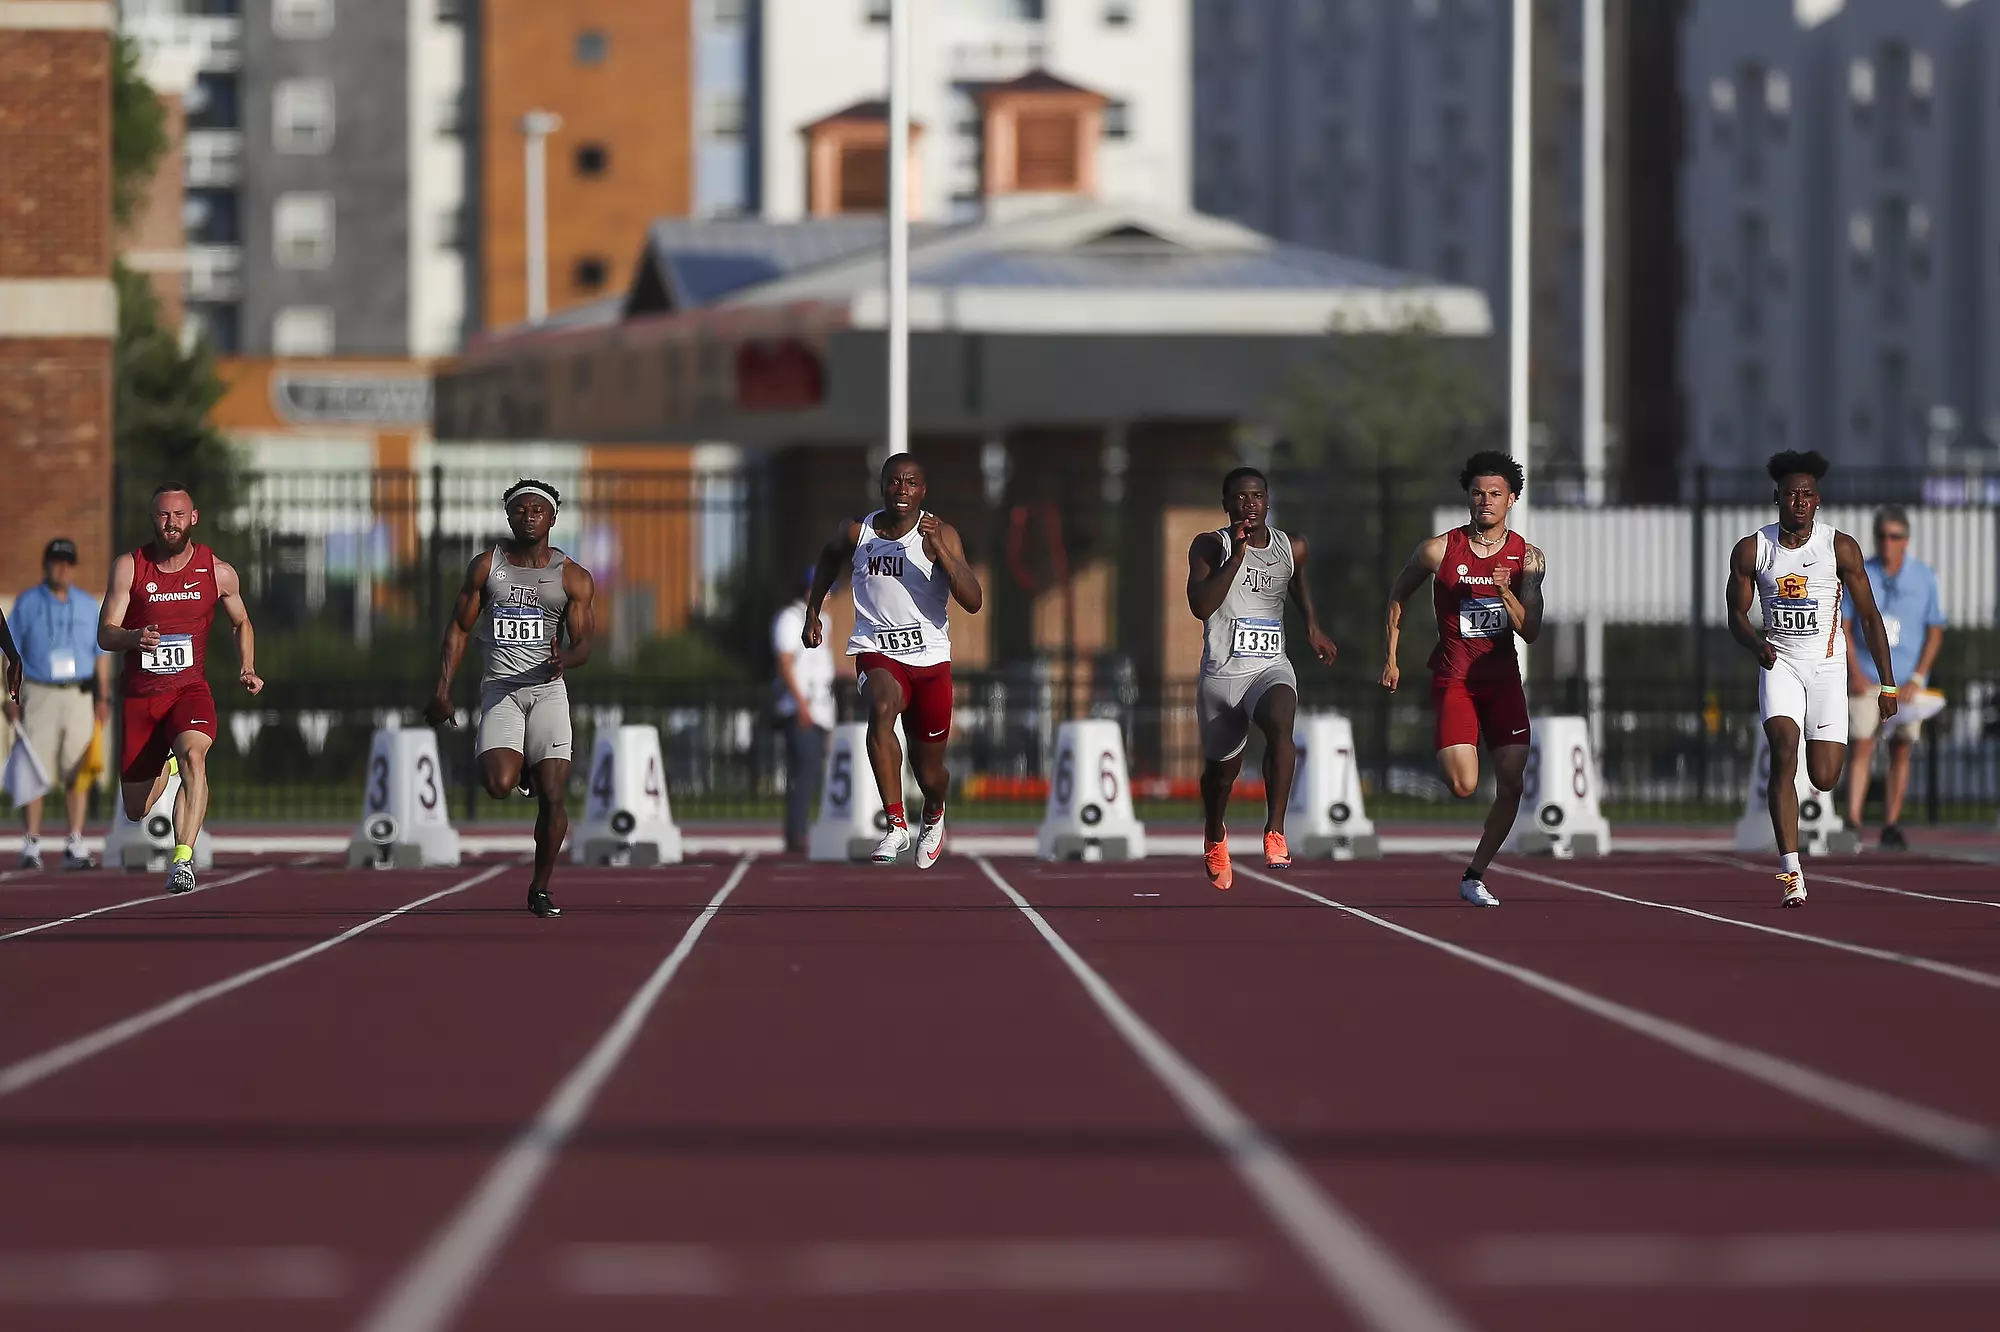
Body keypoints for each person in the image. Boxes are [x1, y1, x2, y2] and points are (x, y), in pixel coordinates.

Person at [1726, 451, 1897, 907]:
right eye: (1789, 495)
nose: (1798, 502)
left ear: (1817, 500)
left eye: (1806, 495)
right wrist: (1755, 643)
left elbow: (1868, 615)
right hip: (1778, 663)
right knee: (1784, 752)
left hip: (1826, 666)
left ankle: (1802, 831)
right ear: (1776, 499)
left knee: (1823, 777)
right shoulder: (1753, 550)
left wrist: (1888, 682)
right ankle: (1791, 870)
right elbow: (1735, 614)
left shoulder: (1839, 547)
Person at [1382, 451, 1546, 908]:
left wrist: (1503, 590)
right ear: (1468, 497)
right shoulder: (1439, 550)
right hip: (1455, 680)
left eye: (1495, 494)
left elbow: (1530, 631)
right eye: (1478, 493)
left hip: (1502, 682)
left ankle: (1475, 874)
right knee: (1464, 786)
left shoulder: (1527, 558)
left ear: (1511, 499)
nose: (1486, 501)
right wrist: (1391, 656)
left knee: (1512, 781)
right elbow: (1399, 593)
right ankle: (1448, 739)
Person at [425, 479, 595, 919]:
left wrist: (566, 659)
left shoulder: (572, 577)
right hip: (501, 690)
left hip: (547, 691)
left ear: (553, 518)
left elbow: (584, 644)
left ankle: (540, 888)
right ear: (509, 515)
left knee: (554, 797)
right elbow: (460, 628)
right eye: (521, 509)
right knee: (499, 785)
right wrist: (442, 690)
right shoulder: (487, 567)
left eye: (538, 509)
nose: (529, 516)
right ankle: (522, 768)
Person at [803, 452, 982, 868]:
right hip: (876, 650)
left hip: (931, 661)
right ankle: (896, 824)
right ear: (882, 486)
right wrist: (815, 608)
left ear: (923, 490)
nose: (902, 489)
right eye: (894, 481)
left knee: (930, 771)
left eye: (910, 483)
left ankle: (933, 811)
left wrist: (942, 552)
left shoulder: (941, 534)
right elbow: (830, 556)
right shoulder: (858, 531)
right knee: (882, 708)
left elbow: (973, 601)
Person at [98, 483, 264, 894]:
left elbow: (241, 621)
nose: (170, 523)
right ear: (153, 519)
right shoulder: (130, 566)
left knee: (194, 753)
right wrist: (134, 637)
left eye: (177, 515)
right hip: (141, 696)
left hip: (188, 691)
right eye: (162, 515)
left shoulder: (217, 571)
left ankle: (183, 861)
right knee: (136, 809)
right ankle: (166, 765)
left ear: (193, 518)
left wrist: (248, 667)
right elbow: (105, 633)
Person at [1186, 467, 1338, 889]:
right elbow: (1200, 605)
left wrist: (1311, 626)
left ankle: (1275, 831)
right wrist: (1236, 556)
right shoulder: (1209, 546)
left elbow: (1296, 578)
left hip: (1269, 665)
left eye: (1256, 496)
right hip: (1222, 675)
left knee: (1280, 724)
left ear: (1268, 501)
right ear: (1226, 504)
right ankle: (1215, 833)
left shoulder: (1292, 546)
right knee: (1221, 776)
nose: (1248, 504)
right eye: (1239, 497)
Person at [1841, 505, 1946, 850]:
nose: (1888, 543)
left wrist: (1917, 677)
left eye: (1895, 536)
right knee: (1862, 742)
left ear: (1906, 540)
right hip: (1868, 678)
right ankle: (1853, 820)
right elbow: (1844, 625)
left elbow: (1934, 631)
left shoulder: (1924, 577)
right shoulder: (1862, 572)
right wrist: (1853, 673)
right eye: (1883, 536)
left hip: (1906, 684)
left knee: (1902, 747)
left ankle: (1891, 822)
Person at [8, 539, 112, 869]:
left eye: (67, 562)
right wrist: (8, 696)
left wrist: (103, 696)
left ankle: (75, 841)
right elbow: (7, 653)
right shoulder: (27, 603)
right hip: (39, 691)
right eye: (56, 561)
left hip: (79, 693)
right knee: (34, 768)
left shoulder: (86, 604)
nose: (61, 568)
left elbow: (101, 656)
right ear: (46, 564)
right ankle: (31, 842)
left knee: (78, 770)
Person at [772, 566, 836, 854]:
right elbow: (786, 664)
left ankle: (801, 828)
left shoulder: (826, 621)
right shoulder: (790, 619)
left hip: (821, 708)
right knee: (803, 771)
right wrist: (800, 705)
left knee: (813, 771)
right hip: (802, 707)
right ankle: (795, 832)